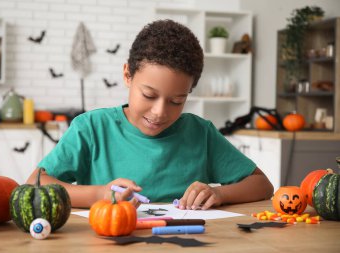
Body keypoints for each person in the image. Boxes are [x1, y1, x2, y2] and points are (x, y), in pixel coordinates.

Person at [27, 19, 273, 210]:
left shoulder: (200, 133)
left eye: (177, 101)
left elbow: (262, 185)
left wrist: (219, 194)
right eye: (149, 95)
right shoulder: (91, 128)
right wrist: (99, 194)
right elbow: (35, 183)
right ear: (127, 75)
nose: (160, 112)